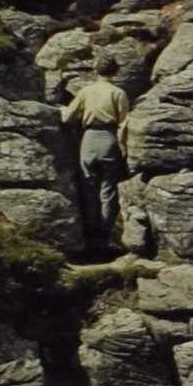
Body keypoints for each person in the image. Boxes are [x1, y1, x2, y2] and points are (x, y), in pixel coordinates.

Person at [59, 57, 131, 246]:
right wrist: (123, 149)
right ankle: (104, 235)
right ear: (115, 71)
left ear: (96, 70)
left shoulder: (86, 91)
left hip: (89, 139)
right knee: (108, 188)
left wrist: (61, 109)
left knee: (89, 185)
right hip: (109, 139)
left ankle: (89, 231)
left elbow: (68, 118)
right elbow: (123, 124)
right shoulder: (118, 93)